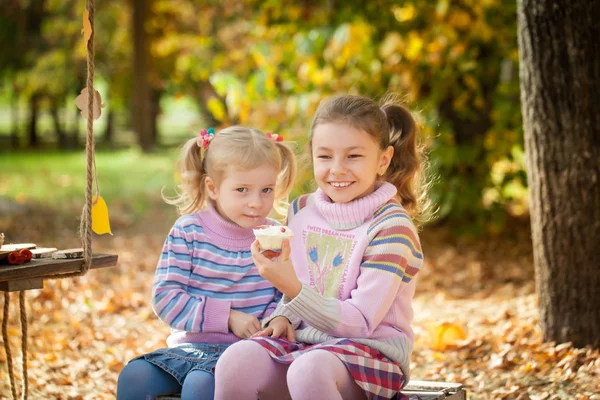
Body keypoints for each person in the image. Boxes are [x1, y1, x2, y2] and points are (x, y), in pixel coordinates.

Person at [214, 94, 431, 400]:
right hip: (305, 343)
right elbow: (301, 287)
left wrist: (290, 287)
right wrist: (284, 316)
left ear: (383, 160)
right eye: (325, 156)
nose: (337, 169)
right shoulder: (301, 210)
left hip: (372, 354)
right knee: (236, 363)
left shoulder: (391, 228)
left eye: (353, 156)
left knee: (310, 369)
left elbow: (361, 323)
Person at [117, 126, 297, 400]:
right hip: (189, 349)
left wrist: (276, 319)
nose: (256, 203)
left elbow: (287, 295)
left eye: (266, 189)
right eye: (242, 190)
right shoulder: (188, 231)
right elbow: (166, 298)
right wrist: (226, 317)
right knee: (134, 377)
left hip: (247, 354)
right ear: (212, 187)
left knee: (201, 385)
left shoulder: (275, 236)